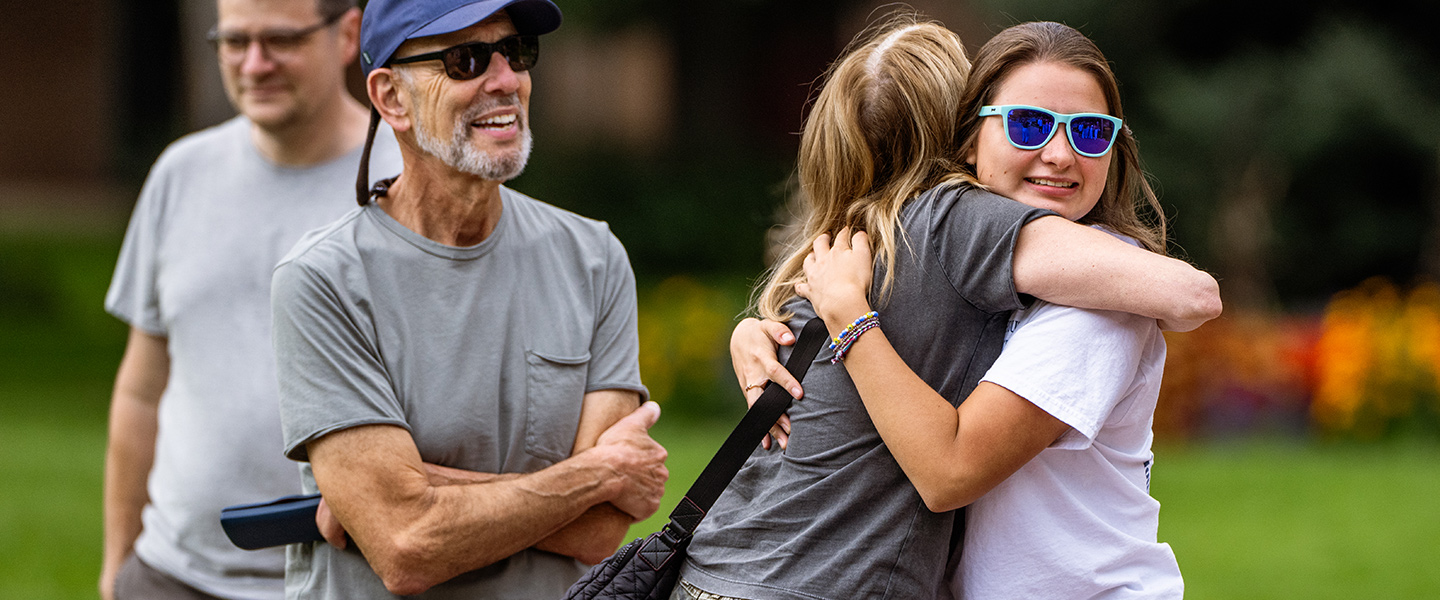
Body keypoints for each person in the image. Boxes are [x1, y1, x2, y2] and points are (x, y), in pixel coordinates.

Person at [679, 16, 1219, 600]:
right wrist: (769, 334)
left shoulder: (1094, 303)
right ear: (966, 137)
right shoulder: (938, 262)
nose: (1060, 154)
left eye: (1091, 131)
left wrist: (849, 320)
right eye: (1028, 124)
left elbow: (948, 471)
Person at [268, 0, 668, 598]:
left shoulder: (592, 256)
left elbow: (599, 529)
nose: (506, 79)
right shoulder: (322, 280)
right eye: (466, 59)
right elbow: (407, 548)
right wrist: (598, 472)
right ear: (391, 99)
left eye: (516, 52)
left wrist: (414, 490)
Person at [101, 0, 402, 597]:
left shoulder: (407, 179)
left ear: (348, 36)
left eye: (281, 40)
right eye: (235, 42)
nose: (255, 64)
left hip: (342, 580)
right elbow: (141, 391)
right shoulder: (180, 174)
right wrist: (117, 566)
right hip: (169, 576)